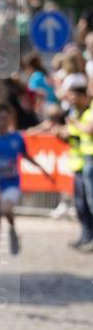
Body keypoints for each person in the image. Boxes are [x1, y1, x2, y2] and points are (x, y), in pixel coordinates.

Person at [0, 102, 56, 276]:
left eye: (5, 118)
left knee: (4, 209)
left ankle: (12, 230)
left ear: (9, 120)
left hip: (11, 184)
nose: (2, 122)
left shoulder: (16, 138)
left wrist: (42, 169)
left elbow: (25, 156)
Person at [56, 78, 93, 251]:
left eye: (75, 97)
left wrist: (74, 123)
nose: (71, 100)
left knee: (91, 202)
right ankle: (86, 236)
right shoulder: (74, 113)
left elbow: (89, 129)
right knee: (80, 204)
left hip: (90, 160)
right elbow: (71, 133)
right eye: (70, 97)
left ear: (85, 96)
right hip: (78, 162)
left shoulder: (89, 111)